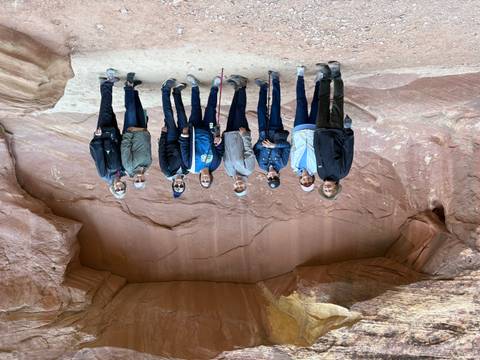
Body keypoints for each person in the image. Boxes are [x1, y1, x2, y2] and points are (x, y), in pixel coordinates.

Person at [314, 61, 354, 199]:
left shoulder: (320, 174)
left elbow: (317, 152)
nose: (327, 188)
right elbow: (348, 151)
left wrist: (316, 135)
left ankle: (325, 76)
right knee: (338, 101)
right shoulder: (342, 172)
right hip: (336, 132)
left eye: (325, 190)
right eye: (330, 190)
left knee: (322, 100)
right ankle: (336, 74)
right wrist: (348, 130)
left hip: (320, 131)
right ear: (336, 187)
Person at [179, 75, 224, 189]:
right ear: (210, 178)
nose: (205, 178)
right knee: (211, 109)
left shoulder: (191, 167)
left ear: (200, 178)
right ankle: (214, 87)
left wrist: (184, 136)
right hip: (210, 132)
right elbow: (220, 150)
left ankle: (195, 86)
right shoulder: (215, 164)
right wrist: (219, 142)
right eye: (207, 180)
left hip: (195, 130)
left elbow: (184, 150)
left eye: (203, 180)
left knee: (195, 108)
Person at [89, 68, 127, 199]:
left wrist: (97, 137)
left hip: (104, 136)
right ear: (123, 185)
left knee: (105, 111)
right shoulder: (122, 171)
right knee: (108, 110)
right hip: (114, 135)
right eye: (122, 188)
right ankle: (103, 84)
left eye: (118, 189)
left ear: (113, 188)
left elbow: (98, 155)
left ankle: (108, 82)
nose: (119, 187)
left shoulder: (104, 174)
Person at [253, 71, 290, 189]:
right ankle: (275, 80)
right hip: (276, 131)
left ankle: (263, 87)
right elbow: (287, 146)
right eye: (275, 177)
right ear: (278, 175)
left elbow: (255, 149)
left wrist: (262, 144)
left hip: (263, 133)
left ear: (267, 177)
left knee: (260, 109)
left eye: (270, 178)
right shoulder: (282, 163)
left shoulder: (261, 165)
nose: (272, 176)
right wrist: (274, 146)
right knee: (275, 106)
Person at [223, 75, 255, 197]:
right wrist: (245, 135)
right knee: (240, 110)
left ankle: (237, 89)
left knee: (232, 111)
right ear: (246, 185)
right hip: (240, 134)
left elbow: (225, 154)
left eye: (237, 187)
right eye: (242, 187)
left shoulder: (229, 172)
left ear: (234, 186)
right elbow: (248, 150)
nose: (239, 184)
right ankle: (242, 85)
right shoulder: (248, 170)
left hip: (228, 135)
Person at [290, 65, 320, 192]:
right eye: (309, 181)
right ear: (312, 179)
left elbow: (293, 147)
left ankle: (300, 75)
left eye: (304, 182)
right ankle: (319, 81)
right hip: (314, 130)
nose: (306, 180)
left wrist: (294, 134)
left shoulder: (294, 165)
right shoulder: (316, 167)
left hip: (300, 130)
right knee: (316, 103)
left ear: (300, 180)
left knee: (301, 102)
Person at [120, 72, 152, 190]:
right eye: (142, 180)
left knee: (131, 110)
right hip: (143, 131)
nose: (139, 178)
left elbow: (125, 148)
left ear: (133, 179)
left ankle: (128, 85)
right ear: (145, 179)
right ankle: (133, 89)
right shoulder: (147, 165)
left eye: (137, 181)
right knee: (138, 108)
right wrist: (147, 134)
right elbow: (148, 147)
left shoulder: (128, 167)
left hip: (132, 131)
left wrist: (129, 132)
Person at [159, 78, 189, 198]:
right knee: (182, 115)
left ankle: (165, 89)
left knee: (169, 114)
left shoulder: (167, 171)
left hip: (170, 140)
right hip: (183, 139)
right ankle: (177, 92)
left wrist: (163, 136)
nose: (179, 185)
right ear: (183, 184)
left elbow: (161, 153)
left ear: (173, 185)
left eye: (176, 186)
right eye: (181, 186)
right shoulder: (187, 169)